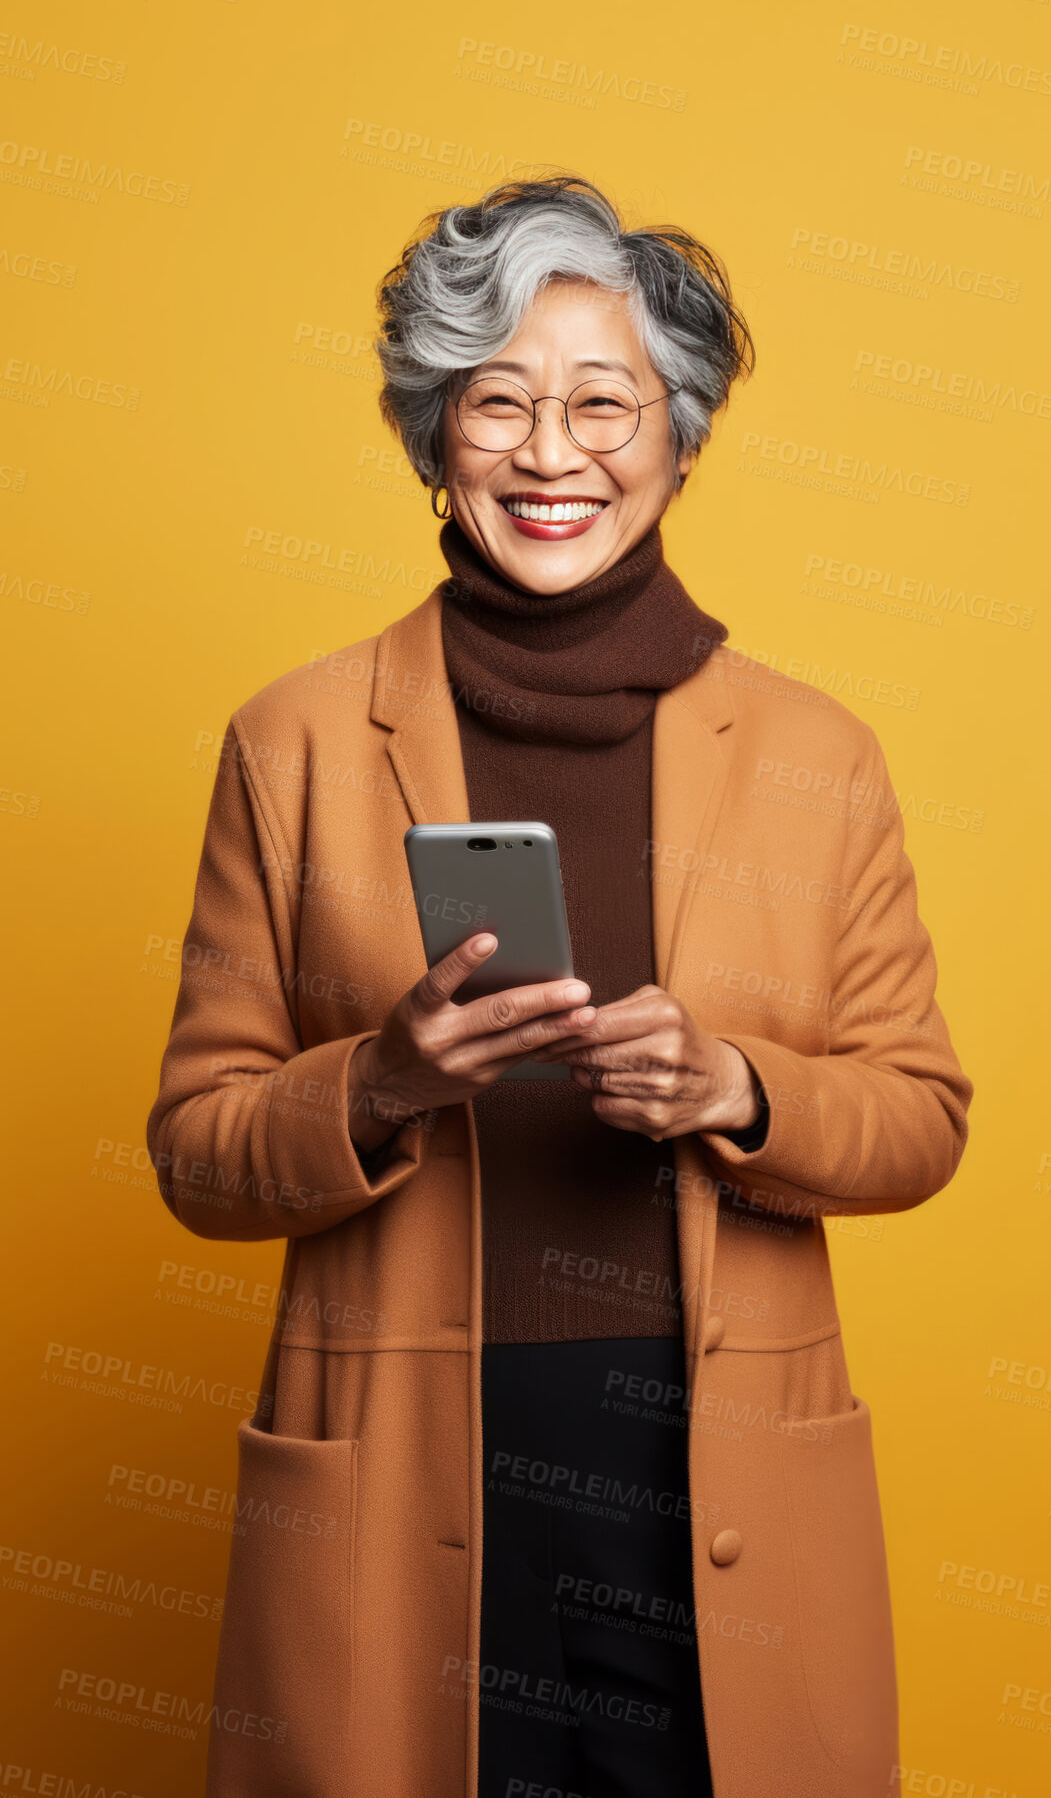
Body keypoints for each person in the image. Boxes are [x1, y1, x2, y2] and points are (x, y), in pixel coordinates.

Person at [146, 173, 973, 1798]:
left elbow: (924, 1116)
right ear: (431, 437)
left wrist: (736, 1089)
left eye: (605, 401)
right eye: (496, 400)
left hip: (712, 1478)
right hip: (399, 1485)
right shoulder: (295, 742)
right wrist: (378, 1081)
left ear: (680, 434)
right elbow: (194, 1144)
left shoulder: (820, 755)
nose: (550, 452)